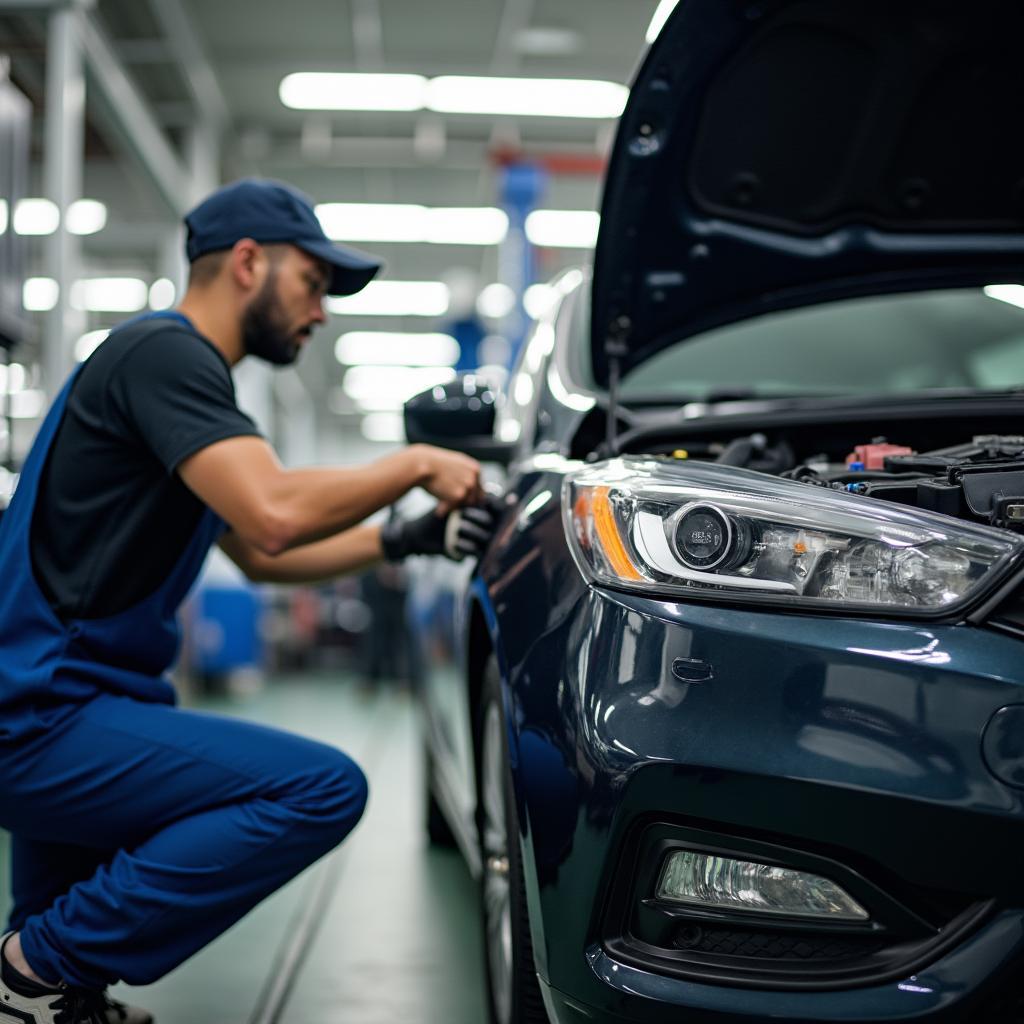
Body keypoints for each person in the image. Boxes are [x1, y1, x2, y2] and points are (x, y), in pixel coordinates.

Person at [0, 179, 496, 1023]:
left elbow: (260, 556)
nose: (322, 311)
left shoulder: (174, 381)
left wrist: (404, 540)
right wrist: (413, 464)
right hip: (41, 714)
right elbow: (273, 514)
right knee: (319, 788)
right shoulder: (166, 355)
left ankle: (53, 993)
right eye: (313, 283)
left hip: (69, 700)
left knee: (63, 938)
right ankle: (31, 968)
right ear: (246, 263)